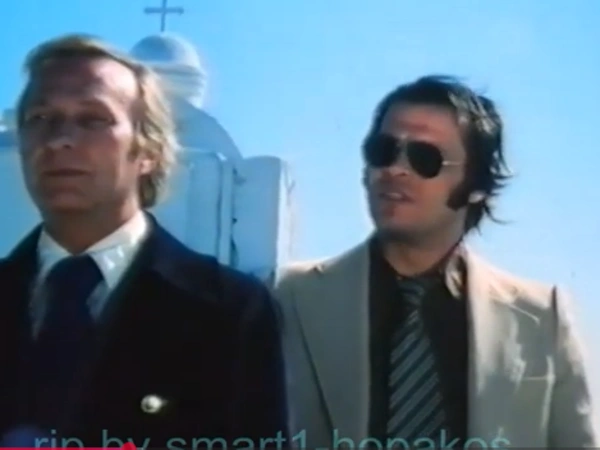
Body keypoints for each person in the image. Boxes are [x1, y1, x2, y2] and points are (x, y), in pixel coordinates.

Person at [273, 75, 598, 449]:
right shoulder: (291, 297)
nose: (395, 169)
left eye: (425, 159)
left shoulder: (541, 317)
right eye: (383, 150)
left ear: (475, 186)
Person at [0, 34, 289, 448]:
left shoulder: (230, 312)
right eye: (40, 117)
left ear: (148, 150)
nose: (58, 138)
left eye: (92, 119)